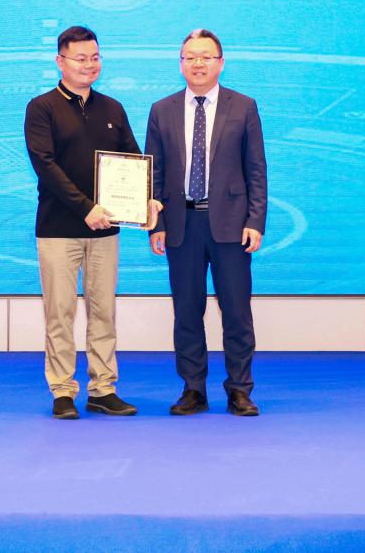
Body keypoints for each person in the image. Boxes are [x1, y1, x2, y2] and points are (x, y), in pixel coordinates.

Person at [23, 25, 161, 420]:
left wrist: (147, 200)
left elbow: (133, 162)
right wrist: (85, 207)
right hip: (58, 230)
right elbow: (45, 165)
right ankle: (63, 391)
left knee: (104, 311)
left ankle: (103, 388)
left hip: (106, 231)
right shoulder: (42, 108)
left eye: (95, 57)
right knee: (60, 312)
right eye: (80, 58)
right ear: (60, 61)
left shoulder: (112, 108)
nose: (89, 64)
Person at [145, 29, 267, 416]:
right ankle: (193, 389)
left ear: (221, 62)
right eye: (190, 57)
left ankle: (240, 389)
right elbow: (154, 172)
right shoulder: (161, 110)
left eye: (206, 56)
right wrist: (156, 224)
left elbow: (256, 169)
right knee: (186, 311)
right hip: (180, 224)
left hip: (231, 225)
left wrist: (256, 220)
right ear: (181, 63)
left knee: (236, 311)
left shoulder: (243, 106)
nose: (198, 63)